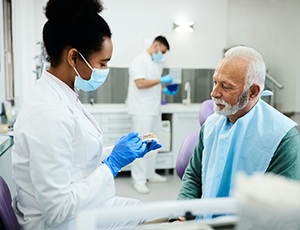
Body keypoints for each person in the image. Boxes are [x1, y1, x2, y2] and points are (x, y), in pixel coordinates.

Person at [11, 0, 161, 229]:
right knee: (156, 220)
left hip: (78, 210)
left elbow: (75, 158)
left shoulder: (61, 94)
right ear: (73, 58)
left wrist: (120, 152)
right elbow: (57, 210)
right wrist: (112, 164)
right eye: (102, 63)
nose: (105, 71)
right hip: (56, 223)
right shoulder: (48, 112)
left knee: (150, 213)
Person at [177, 46, 300, 218]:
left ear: (253, 92)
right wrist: (181, 216)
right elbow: (194, 176)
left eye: (226, 87)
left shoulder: (282, 138)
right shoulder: (211, 125)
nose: (214, 93)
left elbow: (282, 212)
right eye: (215, 82)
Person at [126, 36, 176, 194]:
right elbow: (140, 83)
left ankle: (150, 174)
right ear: (156, 46)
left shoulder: (153, 62)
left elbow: (152, 84)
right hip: (141, 110)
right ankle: (138, 180)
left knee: (153, 142)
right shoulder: (139, 61)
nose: (162, 55)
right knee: (142, 143)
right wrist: (161, 80)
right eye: (162, 51)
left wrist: (163, 89)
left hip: (153, 109)